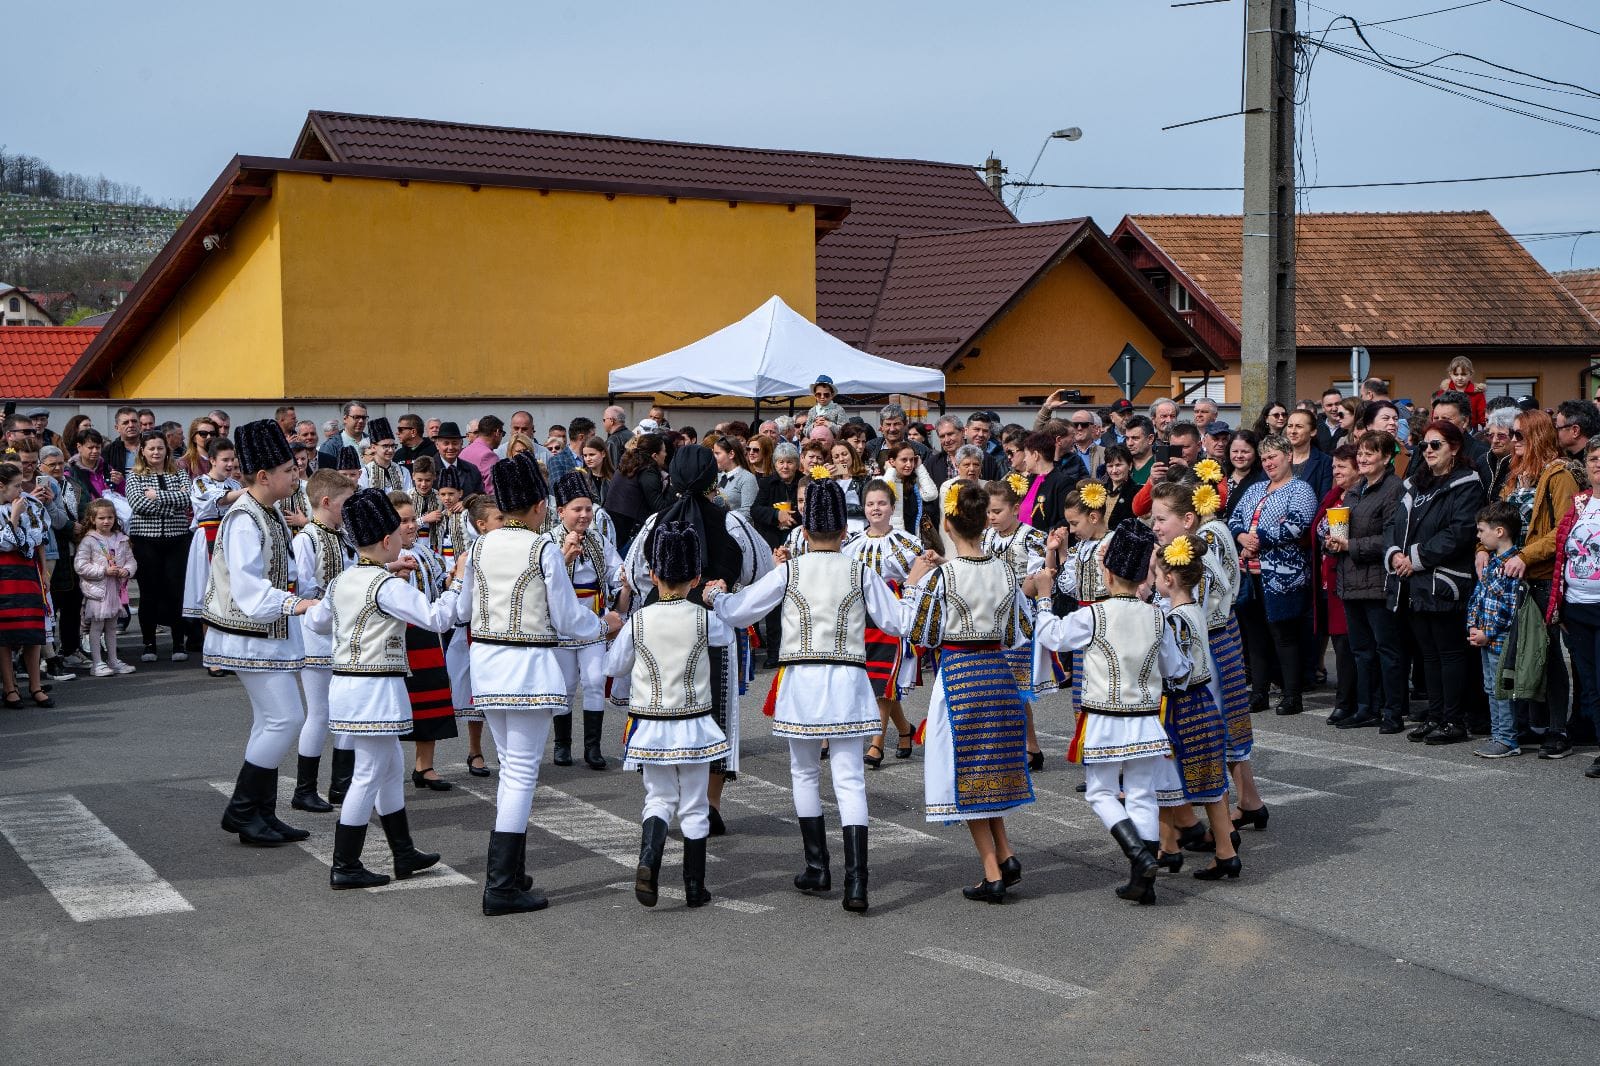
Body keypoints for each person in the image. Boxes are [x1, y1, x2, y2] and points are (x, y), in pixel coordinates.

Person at [706, 472, 909, 912]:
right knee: (849, 778)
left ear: (804, 530)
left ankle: (817, 868)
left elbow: (741, 613)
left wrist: (717, 598)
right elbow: (897, 622)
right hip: (850, 680)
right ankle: (857, 884)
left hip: (802, 681)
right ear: (843, 530)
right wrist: (918, 588)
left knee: (803, 773)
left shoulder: (790, 572)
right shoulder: (860, 571)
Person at [461, 454, 620, 915]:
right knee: (520, 772)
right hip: (527, 667)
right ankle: (501, 885)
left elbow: (461, 609)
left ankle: (510, 873)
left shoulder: (480, 545)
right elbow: (569, 617)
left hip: (487, 665)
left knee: (512, 766)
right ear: (537, 505)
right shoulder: (540, 547)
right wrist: (603, 625)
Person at [301, 488, 462, 889]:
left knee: (387, 768)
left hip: (347, 684)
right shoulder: (386, 586)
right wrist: (458, 582)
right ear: (388, 541)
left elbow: (316, 622)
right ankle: (345, 863)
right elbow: (436, 617)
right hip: (375, 688)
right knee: (370, 772)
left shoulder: (344, 580)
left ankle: (403, 851)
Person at [1029, 519, 1185, 906]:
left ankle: (1140, 856)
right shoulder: (1156, 616)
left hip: (1105, 719)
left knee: (1100, 792)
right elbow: (1176, 667)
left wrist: (1044, 599)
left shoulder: (1094, 615)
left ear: (1110, 573)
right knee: (1142, 795)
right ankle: (1143, 881)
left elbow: (1052, 636)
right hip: (1147, 722)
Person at [625, 445, 772, 836]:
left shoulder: (656, 522)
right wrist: (729, 590)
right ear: (713, 479)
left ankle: (664, 798)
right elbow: (762, 567)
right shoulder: (732, 522)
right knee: (716, 713)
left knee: (661, 701)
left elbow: (635, 573)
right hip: (714, 627)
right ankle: (709, 802)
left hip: (659, 629)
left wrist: (657, 600)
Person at [898, 482, 1034, 903]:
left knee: (969, 774)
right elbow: (1018, 632)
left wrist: (912, 584)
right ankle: (1006, 855)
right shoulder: (1005, 571)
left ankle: (993, 872)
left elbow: (918, 631)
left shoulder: (945, 575)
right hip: (998, 671)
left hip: (960, 674)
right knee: (988, 768)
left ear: (950, 525)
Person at [207, 421, 322, 847]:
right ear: (263, 476)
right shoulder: (243, 518)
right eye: (290, 470)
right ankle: (241, 810)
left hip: (267, 630)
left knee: (270, 720)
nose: (296, 476)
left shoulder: (268, 510)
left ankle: (261, 814)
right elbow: (249, 588)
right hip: (248, 632)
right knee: (286, 718)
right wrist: (297, 604)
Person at [605, 521, 728, 908]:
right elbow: (728, 636)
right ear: (694, 578)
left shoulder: (639, 621)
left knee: (657, 798)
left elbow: (614, 667)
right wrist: (715, 600)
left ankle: (648, 864)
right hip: (693, 723)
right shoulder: (705, 619)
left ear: (654, 575)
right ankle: (695, 887)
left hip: (652, 723)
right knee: (693, 804)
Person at [1483, 408, 1577, 758]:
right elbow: (1499, 520)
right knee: (1517, 653)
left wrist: (1526, 556)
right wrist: (1483, 547)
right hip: (1512, 576)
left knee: (1547, 654)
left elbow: (1564, 530)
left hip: (1541, 576)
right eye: (1512, 434)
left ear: (1537, 436)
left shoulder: (1560, 474)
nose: (1512, 440)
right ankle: (1524, 724)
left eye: (1519, 435)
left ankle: (1557, 729)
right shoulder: (1514, 474)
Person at [1386, 420, 1486, 746]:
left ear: (1454, 447)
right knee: (1428, 653)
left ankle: (1453, 719)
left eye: (1436, 445)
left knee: (1450, 652)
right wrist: (1394, 556)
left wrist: (1413, 558)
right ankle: (1435, 714)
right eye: (1425, 445)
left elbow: (1458, 534)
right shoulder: (1415, 483)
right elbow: (1394, 523)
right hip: (1413, 581)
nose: (1428, 451)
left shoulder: (1467, 483)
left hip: (1445, 581)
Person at [1146, 533, 1239, 880]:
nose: (1155, 581)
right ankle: (1176, 846)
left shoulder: (1175, 620)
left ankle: (1182, 846)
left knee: (1170, 775)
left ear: (1169, 579)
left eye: (1157, 575)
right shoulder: (1194, 611)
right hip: (1201, 702)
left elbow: (1178, 668)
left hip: (1183, 705)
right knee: (1208, 782)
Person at [1229, 434, 1319, 716]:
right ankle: (1259, 693)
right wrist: (1243, 536)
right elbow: (1234, 518)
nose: (1268, 463)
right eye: (1265, 458)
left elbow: (1296, 525)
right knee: (1255, 636)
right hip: (1250, 573)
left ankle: (1292, 695)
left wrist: (1258, 539)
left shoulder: (1301, 489)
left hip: (1283, 576)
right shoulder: (1255, 489)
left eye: (1273, 457)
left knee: (1283, 635)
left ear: (1288, 457)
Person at [1324, 432, 1407, 733]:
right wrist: (1332, 543)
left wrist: (1350, 546)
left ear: (1386, 458)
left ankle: (1392, 711)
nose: (1362, 458)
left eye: (1370, 453)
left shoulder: (1393, 489)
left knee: (1387, 650)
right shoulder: (1356, 488)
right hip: (1351, 580)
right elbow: (1343, 530)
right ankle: (1366, 707)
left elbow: (1390, 538)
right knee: (1361, 651)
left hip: (1378, 581)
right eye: (1360, 452)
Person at [548, 471, 627, 771]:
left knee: (594, 681)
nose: (584, 515)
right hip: (562, 624)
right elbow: (544, 581)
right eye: (576, 509)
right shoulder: (548, 541)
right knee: (566, 684)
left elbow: (614, 573)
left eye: (588, 509)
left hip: (594, 621)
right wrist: (563, 557)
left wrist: (624, 584)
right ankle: (562, 745)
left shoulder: (599, 540)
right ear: (560, 512)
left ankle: (592, 748)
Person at [289, 469, 357, 810]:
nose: (350, 508)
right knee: (319, 713)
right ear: (327, 501)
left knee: (346, 710)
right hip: (316, 634)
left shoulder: (343, 537)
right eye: (346, 502)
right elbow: (303, 590)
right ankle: (304, 789)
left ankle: (342, 786)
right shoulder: (307, 539)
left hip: (343, 633)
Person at [849, 479, 923, 767]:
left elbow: (921, 578)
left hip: (894, 613)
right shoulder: (852, 544)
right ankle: (904, 730)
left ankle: (876, 744)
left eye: (881, 503)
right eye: (870, 504)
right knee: (875, 680)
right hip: (862, 615)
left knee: (883, 679)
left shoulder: (909, 542)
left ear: (892, 508)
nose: (876, 508)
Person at [1548, 439, 1600, 778]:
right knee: (1590, 685)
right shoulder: (1580, 504)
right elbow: (1562, 555)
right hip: (1576, 608)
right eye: (1594, 458)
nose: (1598, 463)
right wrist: (1560, 607)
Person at [125, 430, 194, 663]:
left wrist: (157, 496)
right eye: (151, 448)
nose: (156, 452)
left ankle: (178, 642)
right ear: (142, 451)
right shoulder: (134, 476)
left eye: (160, 448)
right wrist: (172, 499)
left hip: (177, 539)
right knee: (149, 593)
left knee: (177, 591)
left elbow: (189, 499)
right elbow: (138, 504)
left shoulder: (180, 472)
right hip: (146, 541)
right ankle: (149, 644)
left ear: (167, 450)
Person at [1468, 502, 1524, 759]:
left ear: (1499, 531)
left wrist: (1487, 632)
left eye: (1482, 531)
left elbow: (1507, 609)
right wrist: (1473, 623)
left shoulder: (1509, 566)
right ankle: (1498, 733)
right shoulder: (1492, 563)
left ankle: (1507, 738)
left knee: (1501, 689)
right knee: (1491, 687)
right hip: (1485, 638)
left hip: (1498, 641)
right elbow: (1478, 597)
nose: (1479, 536)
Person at [1, 461, 54, 707]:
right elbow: (10, 543)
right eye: (15, 485)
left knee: (33, 630)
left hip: (27, 572)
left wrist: (44, 571)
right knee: (5, 634)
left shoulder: (30, 504)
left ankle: (36, 686)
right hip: (3, 575)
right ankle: (10, 688)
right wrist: (13, 517)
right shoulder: (14, 508)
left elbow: (36, 541)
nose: (21, 489)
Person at [751, 441, 802, 667]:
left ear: (796, 464)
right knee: (774, 601)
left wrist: (792, 519)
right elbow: (756, 510)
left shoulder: (803, 482)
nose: (785, 466)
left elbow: (808, 507)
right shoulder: (766, 483)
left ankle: (795, 650)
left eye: (789, 462)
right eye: (781, 462)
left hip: (797, 543)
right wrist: (776, 516)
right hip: (772, 545)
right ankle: (774, 653)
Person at [75, 498, 136, 677]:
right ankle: (97, 663)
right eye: (101, 518)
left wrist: (126, 570)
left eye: (110, 517)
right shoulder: (89, 541)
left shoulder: (122, 539)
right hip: (98, 591)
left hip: (115, 590)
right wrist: (103, 570)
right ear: (93, 519)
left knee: (111, 627)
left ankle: (113, 660)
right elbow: (80, 565)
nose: (106, 521)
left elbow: (131, 560)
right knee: (96, 627)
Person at [607, 433, 667, 553]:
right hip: (628, 526)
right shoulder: (648, 470)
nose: (666, 454)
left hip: (613, 521)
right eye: (664, 451)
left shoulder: (630, 463)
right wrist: (675, 491)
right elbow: (659, 507)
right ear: (655, 455)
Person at [1285, 409, 1333, 503]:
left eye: (1299, 426)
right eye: (1290, 426)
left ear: (1313, 432)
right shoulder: (1278, 459)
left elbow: (1323, 500)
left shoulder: (1325, 462)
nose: (1293, 431)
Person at [359, 418, 413, 493]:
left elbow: (408, 497)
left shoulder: (403, 471)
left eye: (393, 446)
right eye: (385, 446)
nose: (391, 450)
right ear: (374, 447)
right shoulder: (364, 473)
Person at [711, 435, 759, 518]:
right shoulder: (716, 476)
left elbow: (748, 513)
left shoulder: (747, 478)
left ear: (731, 454)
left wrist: (721, 517)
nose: (714, 457)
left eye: (717, 453)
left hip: (735, 529)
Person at [432, 422, 484, 496]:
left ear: (461, 444)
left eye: (455, 443)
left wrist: (466, 503)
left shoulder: (472, 470)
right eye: (446, 443)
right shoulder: (427, 468)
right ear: (437, 445)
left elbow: (480, 496)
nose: (451, 447)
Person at [1435, 356, 1487, 429]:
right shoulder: (1442, 393)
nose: (1459, 378)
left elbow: (1483, 417)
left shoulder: (1477, 394)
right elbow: (1435, 416)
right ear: (1450, 374)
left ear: (1470, 374)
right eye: (1456, 374)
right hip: (1447, 429)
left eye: (1463, 374)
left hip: (1471, 432)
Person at [316, 401, 369, 472]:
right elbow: (326, 477)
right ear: (345, 419)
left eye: (364, 417)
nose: (361, 421)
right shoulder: (330, 446)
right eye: (356, 417)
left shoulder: (373, 441)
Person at [547, 417, 593, 482]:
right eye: (592, 435)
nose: (594, 439)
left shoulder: (590, 457)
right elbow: (556, 489)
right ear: (581, 437)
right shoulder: (557, 460)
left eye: (563, 436)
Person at [579, 436, 614, 507]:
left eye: (592, 454)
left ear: (603, 454)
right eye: (585, 455)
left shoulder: (614, 477)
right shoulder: (580, 477)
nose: (588, 459)